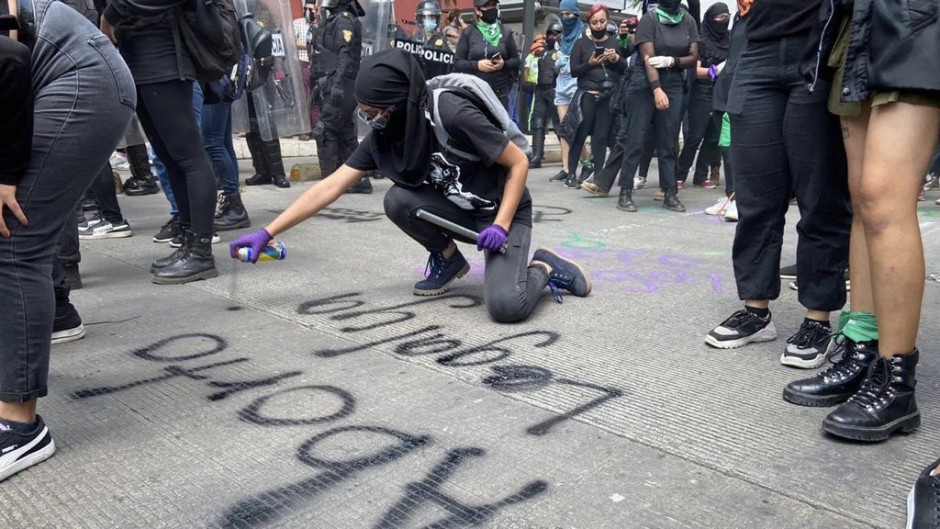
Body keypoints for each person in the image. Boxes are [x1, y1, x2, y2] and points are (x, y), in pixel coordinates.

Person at [231, 50, 592, 322]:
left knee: (507, 307)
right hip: (461, 214)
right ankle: (448, 260)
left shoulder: (451, 113)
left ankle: (544, 266)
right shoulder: (388, 133)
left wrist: (500, 224)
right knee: (398, 199)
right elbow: (330, 186)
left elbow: (518, 163)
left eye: (374, 113)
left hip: (503, 215)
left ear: (400, 103)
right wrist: (268, 231)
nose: (371, 122)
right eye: (364, 114)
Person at [781, 0, 936, 451]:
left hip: (918, 17)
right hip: (860, 21)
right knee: (864, 199)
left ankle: (896, 380)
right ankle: (863, 347)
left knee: (883, 197)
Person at [0, 0, 135, 481]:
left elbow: (7, 59)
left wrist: (5, 172)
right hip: (41, 71)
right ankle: (46, 323)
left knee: (12, 241)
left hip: (77, 74)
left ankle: (20, 429)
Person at [704, 0, 852, 373]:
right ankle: (756, 311)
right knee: (755, 196)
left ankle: (818, 318)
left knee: (820, 196)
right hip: (758, 47)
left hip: (819, 43)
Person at [98, 0, 220, 284]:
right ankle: (189, 240)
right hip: (139, 55)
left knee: (188, 155)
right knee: (170, 156)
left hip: (163, 55)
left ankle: (201, 250)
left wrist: (110, 14)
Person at [583, 0, 698, 212]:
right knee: (635, 139)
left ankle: (669, 192)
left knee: (668, 140)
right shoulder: (649, 19)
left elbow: (693, 56)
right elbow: (647, 58)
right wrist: (657, 89)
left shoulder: (688, 20)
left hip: (673, 81)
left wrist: (672, 61)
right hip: (644, 83)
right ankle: (625, 192)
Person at [561, 4, 625, 190]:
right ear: (589, 23)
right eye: (595, 22)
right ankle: (571, 174)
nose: (599, 25)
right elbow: (574, 71)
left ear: (607, 21)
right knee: (579, 135)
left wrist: (616, 59)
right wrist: (590, 63)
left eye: (602, 21)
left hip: (606, 96)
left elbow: (624, 69)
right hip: (586, 95)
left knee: (601, 137)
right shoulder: (581, 43)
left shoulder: (613, 43)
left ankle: (598, 177)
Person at [311, 0, 370, 193]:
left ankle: (329, 183)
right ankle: (358, 180)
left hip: (341, 85)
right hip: (333, 84)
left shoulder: (343, 21)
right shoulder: (333, 19)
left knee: (325, 131)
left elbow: (346, 57)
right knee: (345, 134)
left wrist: (337, 87)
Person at [675, 2, 729, 189]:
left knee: (713, 137)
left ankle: (701, 175)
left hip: (721, 92)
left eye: (726, 17)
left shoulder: (729, 40)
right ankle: (680, 174)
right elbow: (694, 70)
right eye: (720, 17)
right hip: (701, 91)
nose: (723, 21)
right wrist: (713, 71)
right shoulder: (701, 39)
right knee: (695, 135)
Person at [454, 0, 521, 111]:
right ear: (477, 10)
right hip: (475, 93)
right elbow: (458, 62)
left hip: (500, 94)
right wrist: (477, 65)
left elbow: (516, 60)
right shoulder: (469, 33)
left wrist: (503, 64)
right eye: (487, 6)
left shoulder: (505, 32)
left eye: (493, 5)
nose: (491, 9)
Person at [522, 22, 561, 169]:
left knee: (558, 125)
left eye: (555, 35)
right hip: (540, 89)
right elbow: (529, 68)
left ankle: (568, 155)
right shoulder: (542, 52)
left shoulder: (562, 52)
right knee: (538, 124)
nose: (551, 37)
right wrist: (528, 83)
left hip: (555, 89)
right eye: (549, 34)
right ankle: (537, 155)